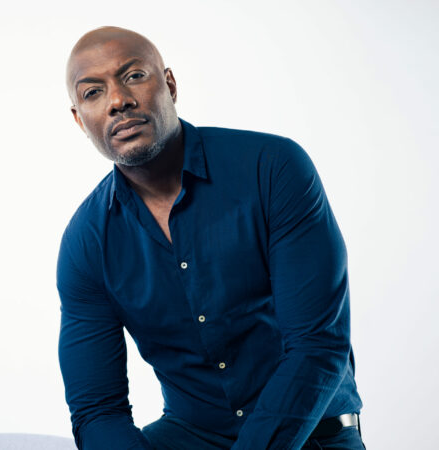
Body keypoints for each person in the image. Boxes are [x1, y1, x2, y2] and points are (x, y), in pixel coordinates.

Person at [57, 26, 364, 450]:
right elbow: (97, 410)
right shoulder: (86, 243)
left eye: (133, 76)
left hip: (310, 434)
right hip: (190, 436)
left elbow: (316, 347)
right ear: (80, 119)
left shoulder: (272, 168)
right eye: (93, 93)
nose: (117, 101)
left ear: (169, 85)